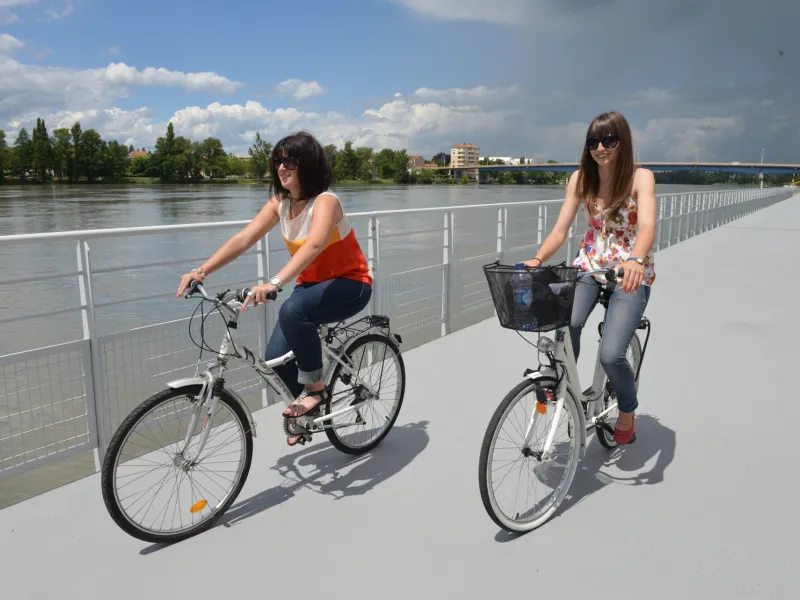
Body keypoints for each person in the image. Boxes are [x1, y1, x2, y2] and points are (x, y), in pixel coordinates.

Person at [175, 131, 373, 445]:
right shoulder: (280, 204)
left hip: (351, 284)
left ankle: (317, 390)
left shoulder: (326, 202)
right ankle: (304, 412)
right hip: (311, 287)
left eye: (290, 160)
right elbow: (244, 239)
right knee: (274, 360)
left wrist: (274, 283)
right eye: (278, 161)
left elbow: (314, 245)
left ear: (308, 164)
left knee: (293, 311)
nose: (282, 167)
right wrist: (201, 271)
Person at [524, 110, 656, 445]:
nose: (601, 147)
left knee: (612, 354)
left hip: (628, 274)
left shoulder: (641, 179)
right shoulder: (580, 179)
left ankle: (627, 409)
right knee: (567, 326)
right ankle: (565, 385)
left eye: (609, 140)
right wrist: (538, 258)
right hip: (590, 267)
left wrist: (636, 260)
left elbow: (647, 227)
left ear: (622, 142)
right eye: (593, 141)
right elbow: (560, 230)